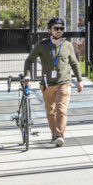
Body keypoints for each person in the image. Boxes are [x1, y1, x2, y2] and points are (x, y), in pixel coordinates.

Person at [22, 17, 82, 147]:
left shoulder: (67, 45)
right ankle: (54, 134)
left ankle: (59, 135)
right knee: (50, 112)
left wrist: (79, 80)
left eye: (61, 28)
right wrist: (27, 75)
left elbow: (74, 63)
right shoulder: (42, 45)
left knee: (61, 109)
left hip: (64, 83)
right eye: (56, 28)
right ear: (50, 30)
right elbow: (29, 60)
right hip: (47, 84)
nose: (59, 31)